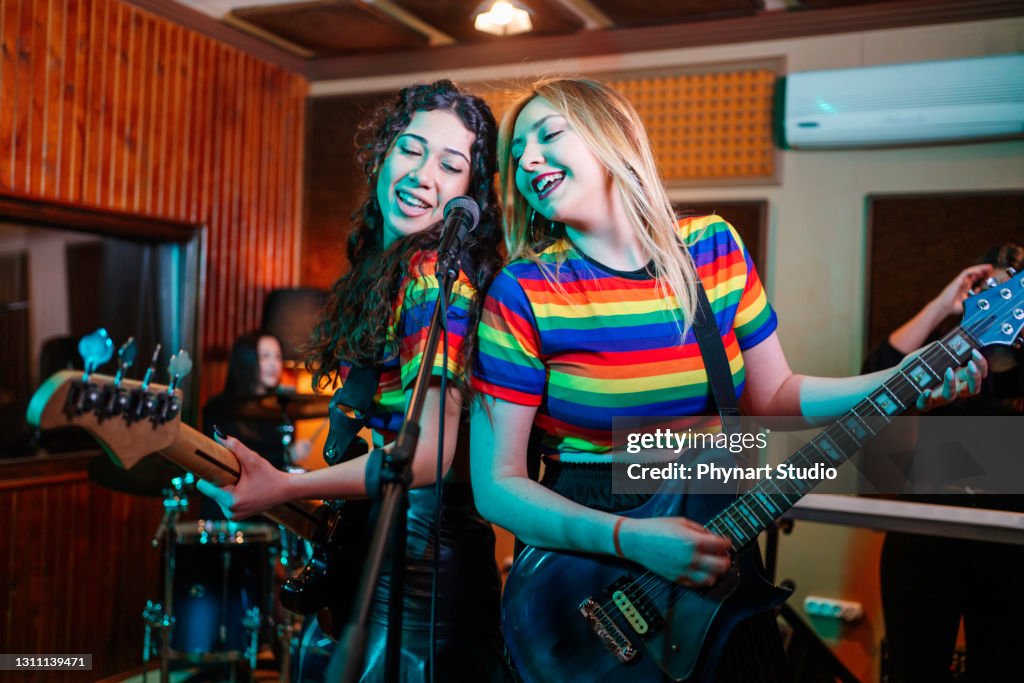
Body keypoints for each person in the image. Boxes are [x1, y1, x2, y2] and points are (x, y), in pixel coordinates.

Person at [469, 78, 988, 682]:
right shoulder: (522, 291)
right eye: (517, 150)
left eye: (549, 134)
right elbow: (497, 486)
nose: (527, 159)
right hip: (589, 569)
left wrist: (898, 380)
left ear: (613, 137)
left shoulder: (712, 248)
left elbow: (776, 397)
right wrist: (630, 539)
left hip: (720, 531)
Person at [199, 80, 508, 682]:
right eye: (411, 149)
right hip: (384, 552)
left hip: (422, 580)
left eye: (450, 164)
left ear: (470, 194)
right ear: (383, 154)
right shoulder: (384, 270)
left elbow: (432, 454)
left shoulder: (430, 278)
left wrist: (288, 487)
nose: (423, 174)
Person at [862, 244, 1024, 683]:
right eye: (991, 284)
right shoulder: (948, 356)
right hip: (925, 536)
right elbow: (877, 371)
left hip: (1010, 545)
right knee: (914, 668)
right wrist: (942, 305)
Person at [203, 330, 311, 473]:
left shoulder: (282, 406)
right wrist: (287, 456)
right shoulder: (219, 408)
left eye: (278, 357)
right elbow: (228, 463)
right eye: (265, 356)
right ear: (246, 360)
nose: (274, 364)